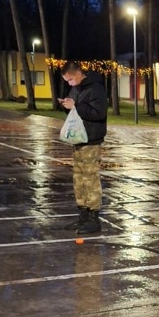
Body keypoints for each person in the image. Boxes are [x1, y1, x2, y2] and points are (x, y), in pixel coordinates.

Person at [60, 61, 108, 234]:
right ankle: (83, 216)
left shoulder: (96, 88)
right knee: (78, 179)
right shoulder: (76, 88)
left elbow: (99, 114)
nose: (69, 84)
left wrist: (76, 106)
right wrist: (67, 106)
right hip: (78, 139)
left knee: (90, 178)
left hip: (91, 139)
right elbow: (76, 112)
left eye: (71, 79)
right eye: (67, 81)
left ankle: (94, 219)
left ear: (79, 73)